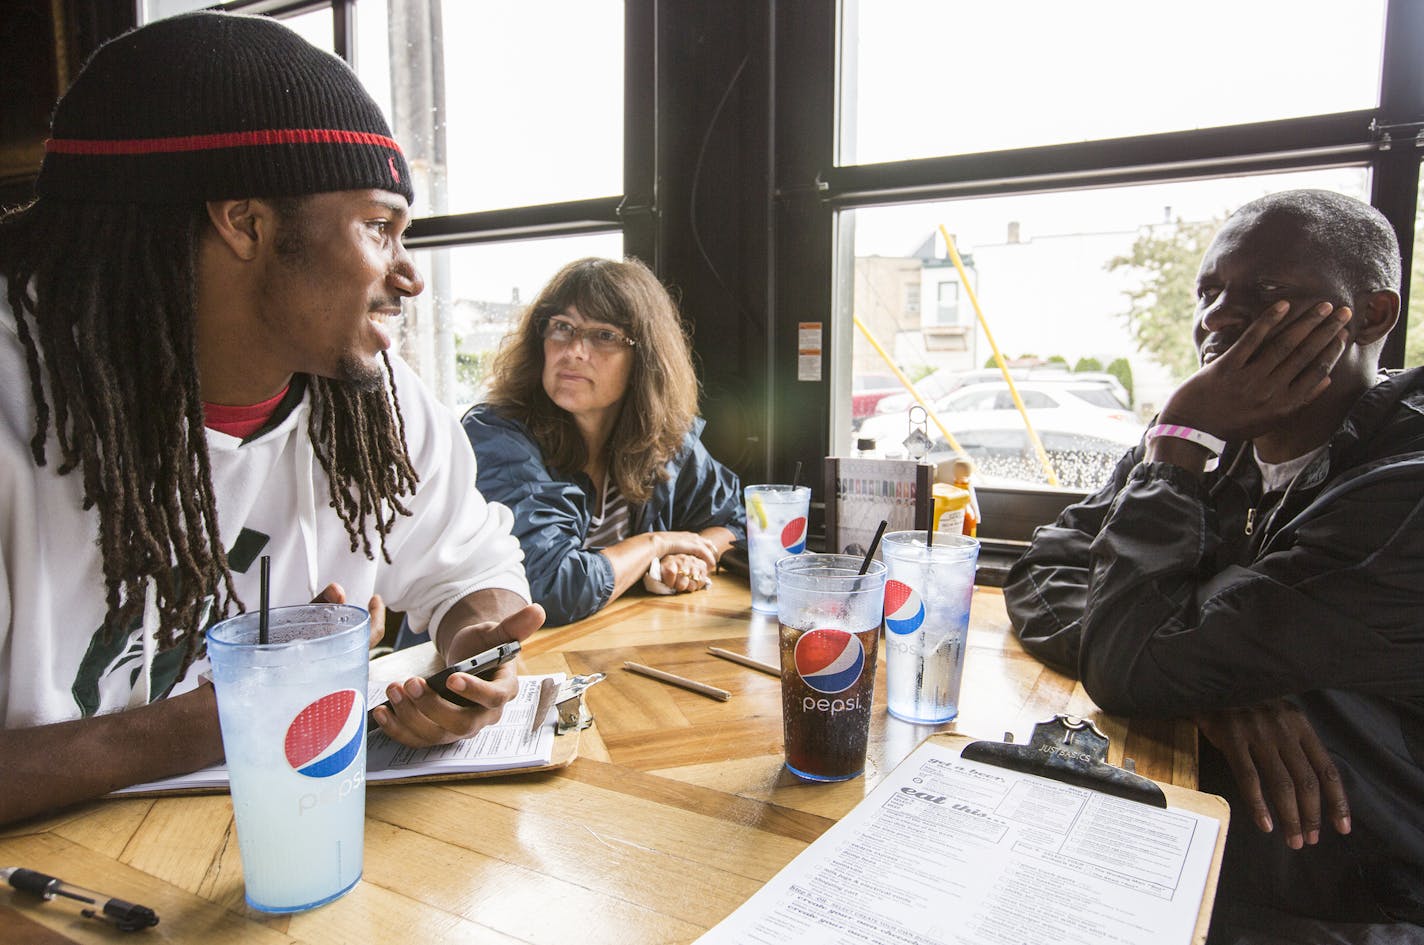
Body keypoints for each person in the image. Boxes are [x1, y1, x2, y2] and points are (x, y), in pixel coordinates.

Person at [0, 12, 544, 825]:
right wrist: (217, 718)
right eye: (377, 227)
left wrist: (476, 653)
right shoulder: (22, 402)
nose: (408, 275)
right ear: (244, 221)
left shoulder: (376, 401)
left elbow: (472, 571)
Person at [1003, 190, 1424, 936]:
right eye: (1210, 291)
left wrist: (1172, 657)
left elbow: (1131, 659)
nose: (1218, 318)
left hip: (1342, 900)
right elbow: (1042, 570)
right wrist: (1205, 684)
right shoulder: (1201, 440)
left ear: (1373, 315)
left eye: (1265, 293)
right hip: (1193, 829)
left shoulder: (1406, 485)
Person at [462, 258, 744, 625]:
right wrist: (655, 546)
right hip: (479, 663)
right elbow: (552, 588)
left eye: (604, 335)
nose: (574, 350)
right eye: (562, 328)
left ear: (645, 357)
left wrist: (689, 556)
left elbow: (739, 521)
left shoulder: (665, 439)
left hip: (609, 643)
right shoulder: (497, 434)